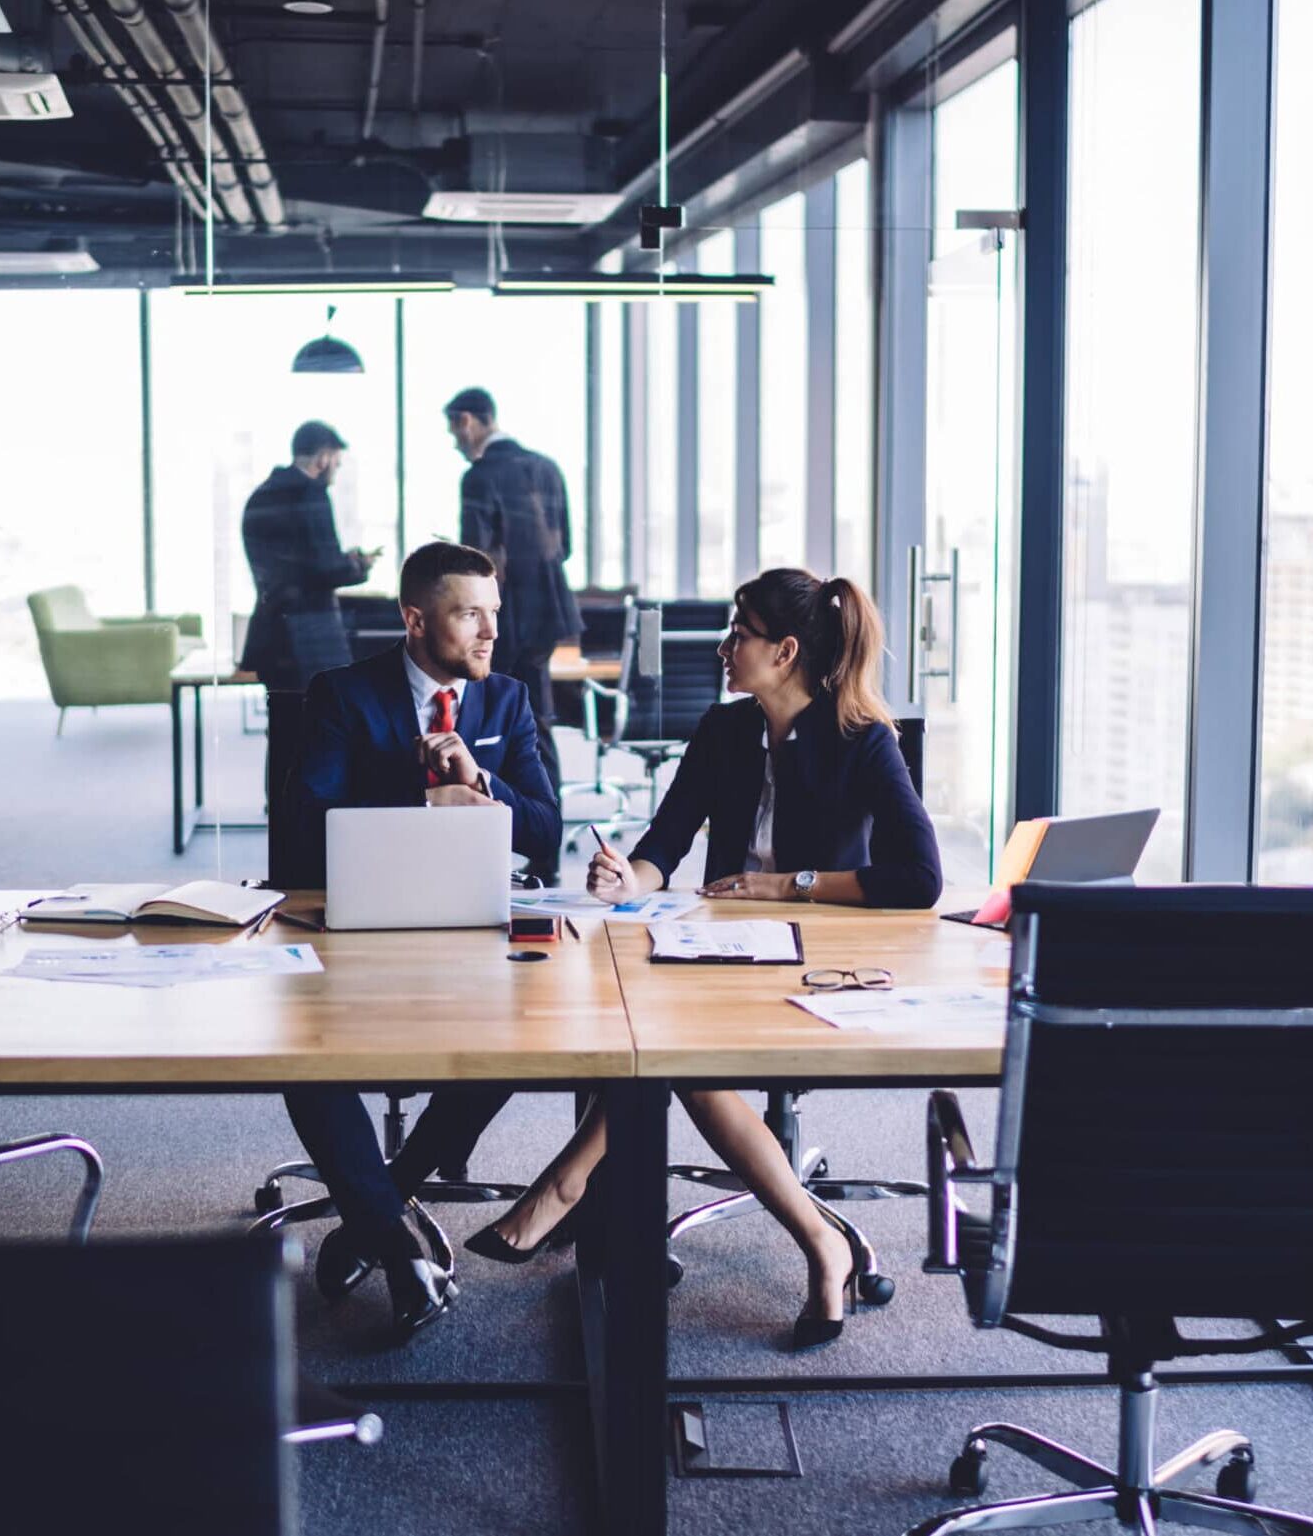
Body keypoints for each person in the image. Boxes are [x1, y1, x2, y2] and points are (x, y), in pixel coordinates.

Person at [463, 568, 942, 1352]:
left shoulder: (862, 738)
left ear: (785, 651)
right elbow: (665, 842)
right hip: (718, 950)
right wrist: (629, 878)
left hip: (816, 961)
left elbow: (919, 878)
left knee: (676, 1053)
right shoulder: (723, 731)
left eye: (738, 634)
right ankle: (801, 1237)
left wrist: (789, 884)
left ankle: (571, 1186)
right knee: (644, 1025)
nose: (723, 648)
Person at [280, 540, 562, 1340]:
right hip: (360, 934)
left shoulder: (504, 700)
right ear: (414, 619)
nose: (489, 633)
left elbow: (546, 835)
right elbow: (303, 833)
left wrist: (480, 780)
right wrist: (416, 791)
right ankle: (400, 1250)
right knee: (307, 1059)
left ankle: (374, 1210)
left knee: (521, 1042)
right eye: (470, 613)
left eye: (494, 615)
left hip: (475, 935)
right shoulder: (342, 695)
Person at [447, 386, 580, 872]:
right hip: (546, 611)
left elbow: (472, 566)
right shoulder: (546, 466)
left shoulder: (479, 477)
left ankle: (482, 844)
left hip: (499, 614)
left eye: (453, 431)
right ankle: (544, 841)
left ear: (468, 421)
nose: (455, 443)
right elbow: (564, 546)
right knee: (534, 723)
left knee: (481, 722)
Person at [240, 420, 380, 691]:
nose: (336, 471)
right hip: (313, 632)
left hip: (271, 630)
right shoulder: (311, 493)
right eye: (336, 463)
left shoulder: (261, 494)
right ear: (324, 457)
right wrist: (359, 565)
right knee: (323, 721)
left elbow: (296, 562)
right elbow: (327, 568)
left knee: (283, 720)